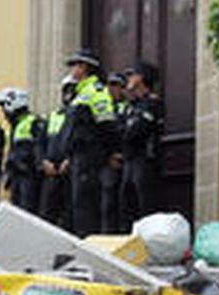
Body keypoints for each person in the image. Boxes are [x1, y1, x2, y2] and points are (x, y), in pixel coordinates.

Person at [64, 49, 119, 235]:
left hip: (90, 156)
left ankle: (89, 249)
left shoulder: (97, 91)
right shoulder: (80, 93)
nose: (71, 69)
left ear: (85, 67)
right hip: (77, 156)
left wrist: (109, 153)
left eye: (75, 65)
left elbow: (107, 124)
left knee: (86, 206)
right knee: (77, 206)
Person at [119, 61, 168, 228]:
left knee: (147, 208)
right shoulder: (132, 106)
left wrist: (126, 131)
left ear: (141, 78)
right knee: (127, 207)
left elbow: (137, 131)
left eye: (132, 75)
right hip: (129, 161)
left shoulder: (152, 104)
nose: (129, 79)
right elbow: (120, 131)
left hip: (146, 161)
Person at [36, 76, 77, 230]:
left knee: (69, 215)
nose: (68, 94)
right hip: (51, 172)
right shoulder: (53, 115)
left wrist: (70, 160)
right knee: (46, 214)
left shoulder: (79, 114)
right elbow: (40, 143)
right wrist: (43, 161)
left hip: (70, 172)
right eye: (66, 90)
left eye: (72, 90)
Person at [0, 89, 43, 217]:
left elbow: (39, 151)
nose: (4, 113)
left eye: (4, 107)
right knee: (17, 214)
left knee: (28, 214)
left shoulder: (34, 122)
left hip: (29, 177)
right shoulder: (16, 125)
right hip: (17, 177)